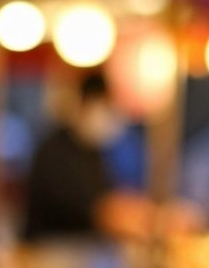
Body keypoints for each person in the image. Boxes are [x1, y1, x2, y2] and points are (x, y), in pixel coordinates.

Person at [21, 73, 149, 242]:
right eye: (104, 107)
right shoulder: (52, 151)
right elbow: (80, 208)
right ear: (83, 104)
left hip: (82, 252)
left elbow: (104, 197)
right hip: (47, 250)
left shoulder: (94, 151)